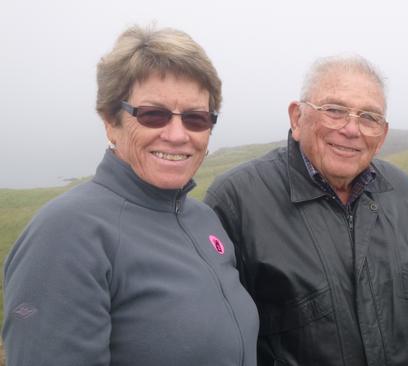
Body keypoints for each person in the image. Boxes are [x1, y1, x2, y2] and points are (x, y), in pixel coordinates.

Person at [204, 55, 408, 365]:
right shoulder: (237, 201)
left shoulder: (404, 193)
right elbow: (219, 343)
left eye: (369, 117)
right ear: (297, 118)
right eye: (335, 110)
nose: (351, 129)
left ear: (382, 136)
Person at [2, 25, 258, 366]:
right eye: (154, 114)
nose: (178, 135)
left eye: (196, 118)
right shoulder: (67, 233)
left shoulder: (203, 219)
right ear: (111, 121)